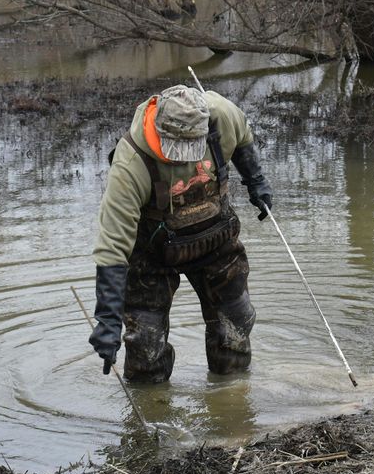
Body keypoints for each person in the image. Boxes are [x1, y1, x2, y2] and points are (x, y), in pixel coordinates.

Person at [87, 84, 273, 382]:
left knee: (235, 325)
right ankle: (152, 413)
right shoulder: (131, 162)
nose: (185, 158)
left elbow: (242, 136)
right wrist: (107, 322)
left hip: (217, 239)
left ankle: (231, 399)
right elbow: (112, 246)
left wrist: (256, 181)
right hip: (151, 254)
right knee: (145, 347)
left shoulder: (221, 114)